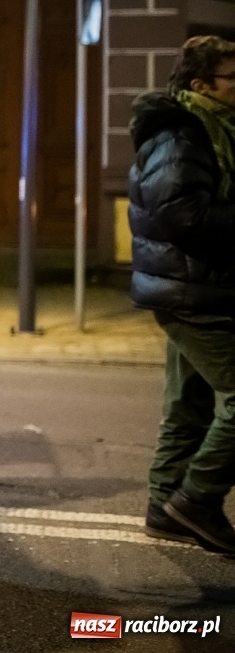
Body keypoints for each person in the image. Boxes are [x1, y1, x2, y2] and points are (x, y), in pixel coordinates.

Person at [129, 35, 235, 555]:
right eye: (233, 79)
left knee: (190, 404)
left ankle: (164, 506)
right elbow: (180, 215)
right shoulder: (182, 136)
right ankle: (196, 500)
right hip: (189, 288)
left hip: (199, 285)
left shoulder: (214, 130)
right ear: (202, 86)